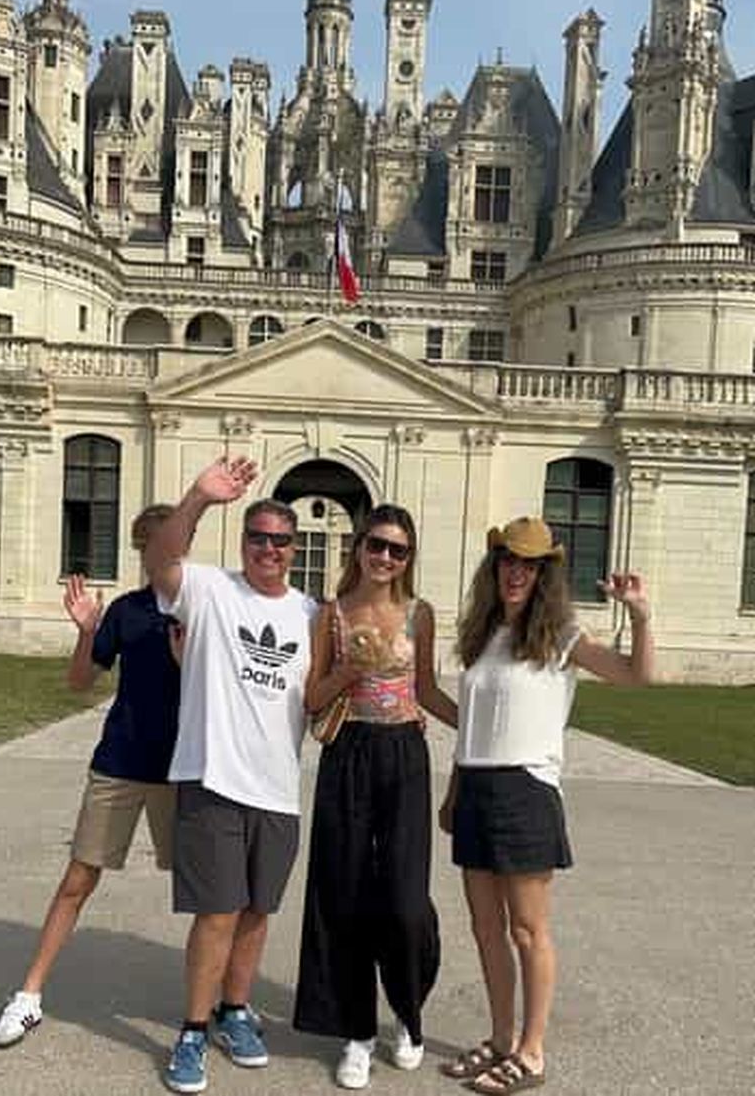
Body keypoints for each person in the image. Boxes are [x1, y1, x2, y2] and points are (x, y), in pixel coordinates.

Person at [439, 516, 654, 1094]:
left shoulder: (561, 637)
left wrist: (639, 616)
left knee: (528, 930)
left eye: (528, 565)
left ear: (543, 575)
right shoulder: (482, 636)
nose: (516, 573)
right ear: (495, 567)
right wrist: (454, 792)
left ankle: (531, 1052)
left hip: (526, 791)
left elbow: (636, 676)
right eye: (509, 561)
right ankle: (501, 1039)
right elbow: (472, 727)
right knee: (486, 927)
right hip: (476, 788)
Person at [145, 455, 317, 1095]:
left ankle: (235, 1010)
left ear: (295, 548)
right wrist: (197, 497)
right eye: (258, 537)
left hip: (277, 787)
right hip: (213, 776)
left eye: (280, 540)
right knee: (217, 912)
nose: (269, 549)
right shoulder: (211, 589)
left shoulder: (311, 613)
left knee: (256, 911)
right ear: (243, 541)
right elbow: (160, 561)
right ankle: (193, 1028)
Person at [0, 504, 181, 1047]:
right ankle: (29, 995)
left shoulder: (202, 610)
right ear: (142, 551)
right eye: (151, 546)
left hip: (182, 770)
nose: (162, 555)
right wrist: (87, 632)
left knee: (206, 889)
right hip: (120, 762)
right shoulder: (126, 611)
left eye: (171, 545)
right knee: (78, 879)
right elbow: (79, 682)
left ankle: (216, 1003)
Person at [294, 504, 458, 1090]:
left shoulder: (420, 614)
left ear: (409, 558)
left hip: (404, 755)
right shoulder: (331, 614)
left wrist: (479, 728)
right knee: (345, 893)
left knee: (405, 901)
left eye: (398, 550)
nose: (385, 557)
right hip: (349, 753)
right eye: (377, 545)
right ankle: (358, 1031)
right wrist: (349, 670)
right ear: (358, 546)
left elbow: (427, 689)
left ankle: (408, 1014)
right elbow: (313, 699)